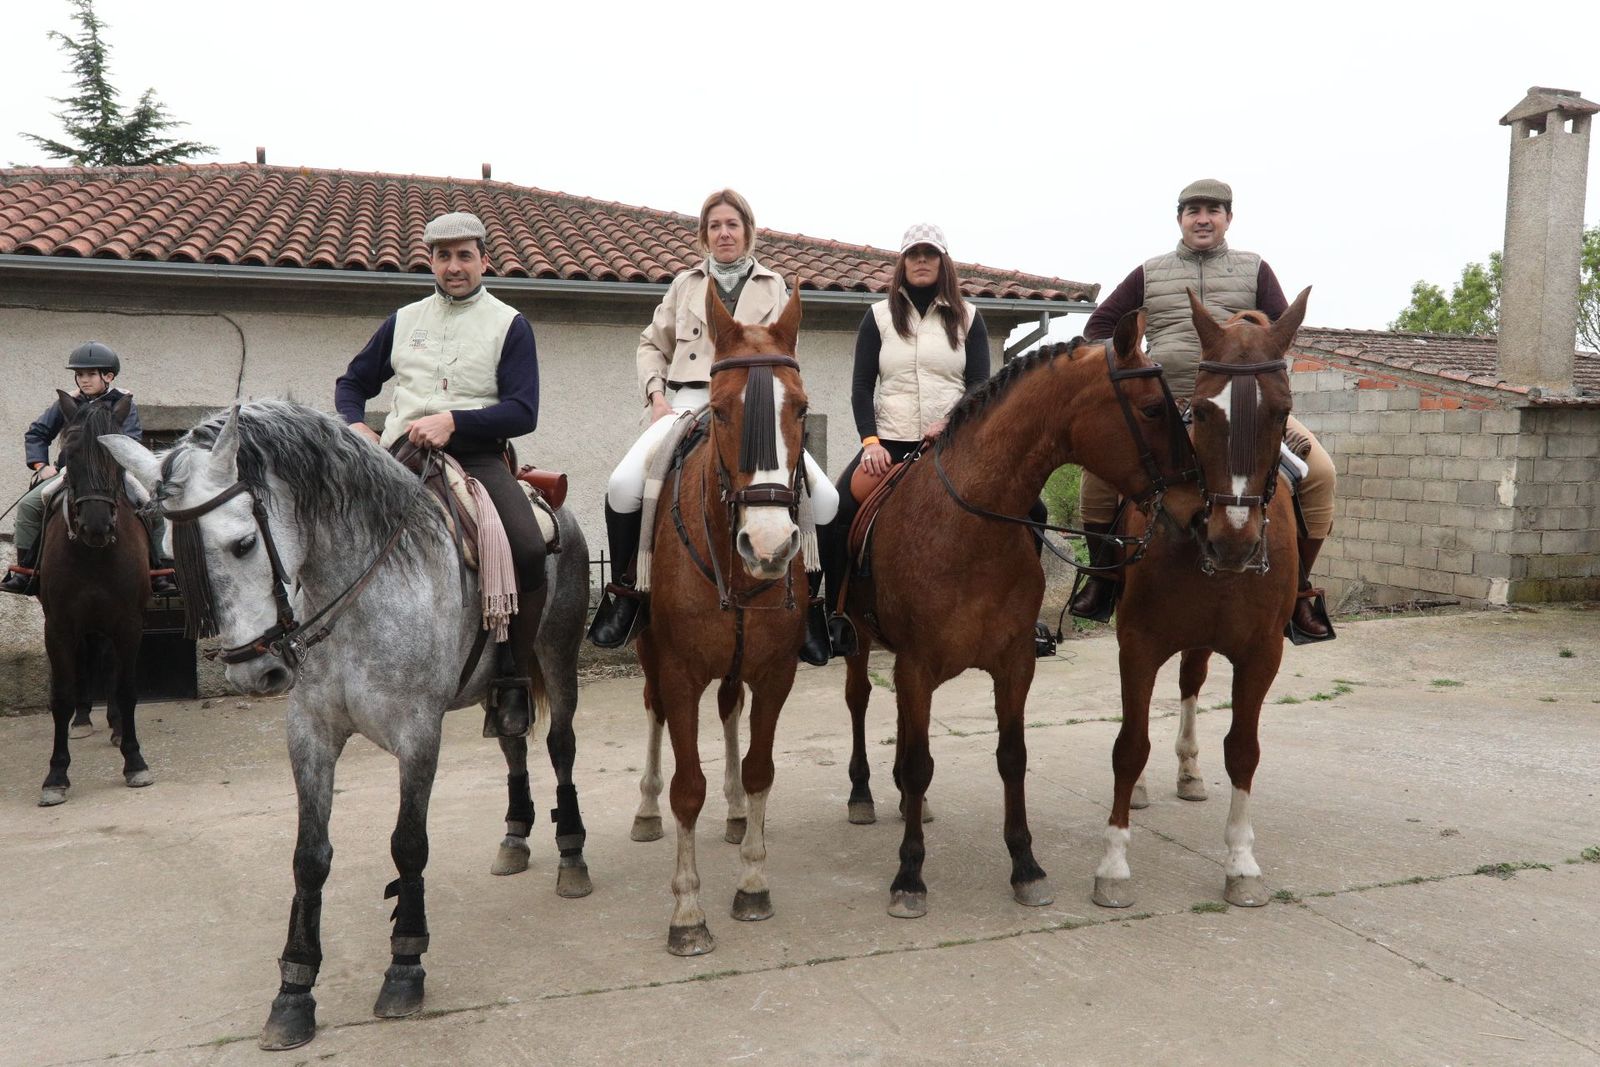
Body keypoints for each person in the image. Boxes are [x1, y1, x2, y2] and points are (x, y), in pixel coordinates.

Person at [1071, 178, 1336, 639]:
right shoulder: (1149, 273)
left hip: (1244, 409)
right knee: (1096, 478)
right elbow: (1101, 326)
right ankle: (1103, 578)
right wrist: (1129, 369)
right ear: (1179, 219)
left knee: (1321, 475)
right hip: (1165, 405)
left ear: (1228, 219)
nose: (1203, 218)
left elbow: (1280, 337)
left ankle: (1299, 590)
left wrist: (1271, 410)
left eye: (1213, 210)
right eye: (1193, 210)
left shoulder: (1254, 269)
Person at [587, 188, 839, 660]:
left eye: (732, 225)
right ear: (704, 235)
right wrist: (657, 397)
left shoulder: (774, 285)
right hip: (685, 400)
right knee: (622, 485)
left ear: (748, 232)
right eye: (715, 226)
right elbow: (651, 345)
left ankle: (811, 609)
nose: (724, 233)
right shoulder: (684, 285)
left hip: (753, 405)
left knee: (825, 498)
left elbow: (788, 354)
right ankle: (627, 595)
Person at [334, 210, 546, 736]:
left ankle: (513, 681)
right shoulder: (403, 320)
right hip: (396, 456)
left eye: (464, 256)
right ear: (429, 261)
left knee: (527, 547)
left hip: (475, 455)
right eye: (444, 256)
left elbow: (524, 411)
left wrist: (455, 421)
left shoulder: (509, 324)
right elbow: (352, 382)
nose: (454, 267)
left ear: (484, 260)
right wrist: (355, 426)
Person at [822, 224, 1047, 653]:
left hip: (954, 442)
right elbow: (860, 387)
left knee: (1034, 509)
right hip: (889, 444)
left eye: (930, 254)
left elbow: (981, 383)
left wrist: (950, 421)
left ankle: (1025, 615)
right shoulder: (878, 317)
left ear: (944, 262)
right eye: (913, 254)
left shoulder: (969, 317)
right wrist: (870, 443)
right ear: (902, 263)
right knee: (837, 511)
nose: (921, 261)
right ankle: (836, 616)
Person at [3, 342, 174, 597]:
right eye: (80, 374)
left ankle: (160, 572)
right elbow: (37, 433)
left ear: (108, 376)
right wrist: (41, 466)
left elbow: (130, 440)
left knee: (152, 508)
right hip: (73, 472)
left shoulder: (123, 402)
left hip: (112, 473)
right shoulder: (69, 402)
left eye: (91, 374)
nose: (84, 380)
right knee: (29, 506)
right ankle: (25, 572)